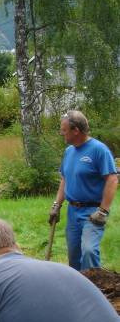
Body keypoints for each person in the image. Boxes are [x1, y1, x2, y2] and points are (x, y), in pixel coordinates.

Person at [49, 110, 118, 270]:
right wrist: (56, 205)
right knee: (74, 255)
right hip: (73, 211)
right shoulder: (69, 152)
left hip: (92, 211)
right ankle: (77, 289)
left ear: (76, 131)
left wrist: (103, 211)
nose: (61, 133)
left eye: (64, 130)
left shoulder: (99, 150)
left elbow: (112, 179)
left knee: (89, 251)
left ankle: (95, 288)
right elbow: (65, 179)